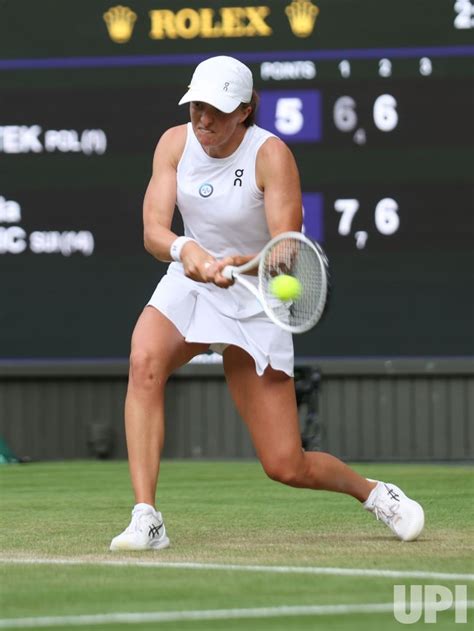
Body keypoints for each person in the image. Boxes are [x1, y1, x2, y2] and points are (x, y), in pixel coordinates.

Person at [110, 56, 424, 551]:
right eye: (196, 106)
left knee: (286, 464)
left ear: (246, 110)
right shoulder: (174, 144)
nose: (203, 119)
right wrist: (185, 249)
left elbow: (288, 249)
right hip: (190, 282)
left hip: (255, 295)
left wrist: (246, 262)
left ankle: (374, 493)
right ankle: (147, 518)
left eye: (216, 109)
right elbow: (153, 231)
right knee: (143, 360)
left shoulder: (271, 155)